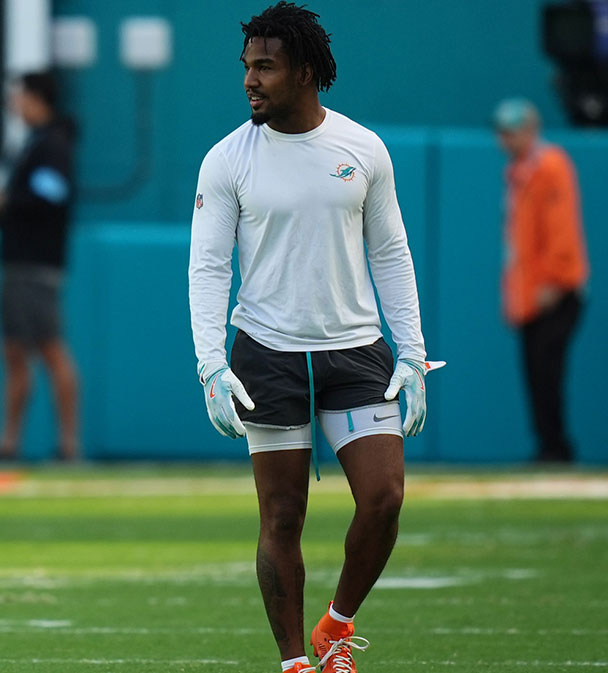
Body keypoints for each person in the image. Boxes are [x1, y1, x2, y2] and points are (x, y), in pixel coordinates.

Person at [188, 4, 442, 671]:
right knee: (281, 518)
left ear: (305, 70)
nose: (250, 80)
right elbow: (209, 265)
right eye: (246, 67)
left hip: (355, 351)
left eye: (264, 67)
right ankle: (296, 661)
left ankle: (338, 624)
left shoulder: (362, 149)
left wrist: (411, 352)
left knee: (385, 497)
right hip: (265, 354)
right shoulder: (226, 159)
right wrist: (211, 363)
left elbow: (391, 251)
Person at [0, 72, 80, 462]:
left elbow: (51, 197)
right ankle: (8, 443)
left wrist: (1, 203)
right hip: (17, 263)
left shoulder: (52, 146)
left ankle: (69, 445)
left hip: (35, 265)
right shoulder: (32, 145)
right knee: (13, 352)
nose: (14, 105)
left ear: (37, 99)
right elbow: (18, 204)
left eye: (19, 97)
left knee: (50, 348)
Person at [493, 98, 588, 464]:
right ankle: (549, 444)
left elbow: (561, 228)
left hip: (554, 292)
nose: (504, 140)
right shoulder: (521, 172)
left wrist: (555, 280)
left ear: (530, 130)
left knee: (547, 371)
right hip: (532, 294)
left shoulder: (549, 166)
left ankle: (556, 447)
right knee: (536, 372)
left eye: (511, 132)